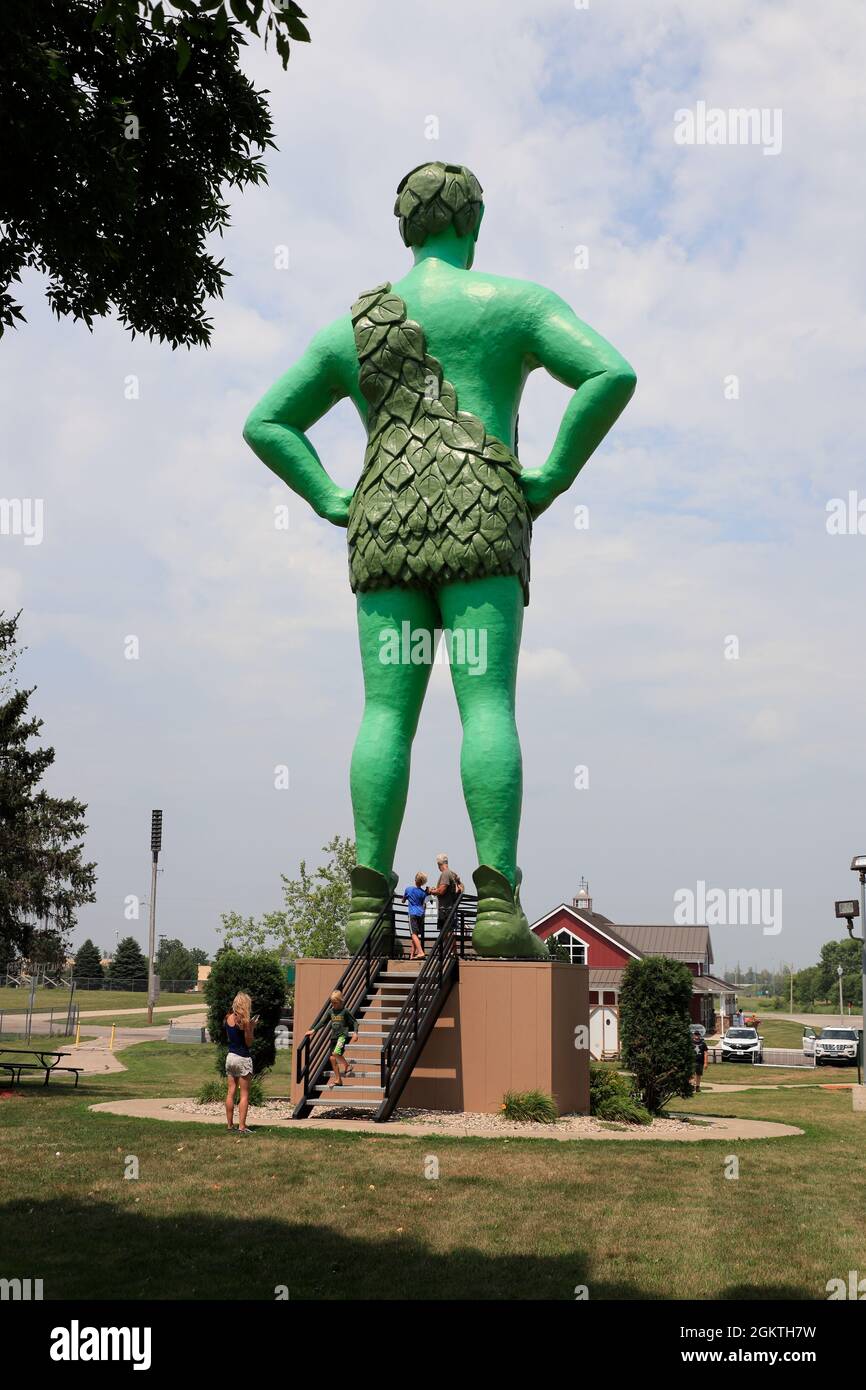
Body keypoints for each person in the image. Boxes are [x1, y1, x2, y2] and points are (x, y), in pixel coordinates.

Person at [243, 161, 635, 959]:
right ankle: (496, 908)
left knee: (386, 714)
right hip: (485, 517)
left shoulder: (352, 328)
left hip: (384, 526)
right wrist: (553, 473)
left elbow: (267, 423)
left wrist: (331, 498)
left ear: (405, 228)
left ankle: (364, 909)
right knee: (486, 706)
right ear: (474, 225)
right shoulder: (515, 303)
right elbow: (610, 372)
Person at [306, 989, 358, 1088]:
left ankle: (347, 1065)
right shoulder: (331, 1012)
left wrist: (355, 1033)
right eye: (332, 1002)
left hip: (342, 1036)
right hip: (333, 1037)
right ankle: (338, 1079)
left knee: (335, 1053)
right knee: (332, 1058)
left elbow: (354, 1022)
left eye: (335, 1002)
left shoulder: (345, 1011)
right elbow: (322, 1022)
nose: (333, 1004)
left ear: (340, 1001)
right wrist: (314, 1030)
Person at [225, 992, 257, 1134]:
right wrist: (252, 1027)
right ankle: (242, 1126)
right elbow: (248, 1042)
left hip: (230, 1057)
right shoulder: (244, 1022)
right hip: (242, 1058)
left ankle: (230, 1125)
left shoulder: (229, 1018)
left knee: (231, 1092)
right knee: (244, 1093)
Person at [431, 853, 463, 932]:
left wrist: (431, 891)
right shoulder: (452, 874)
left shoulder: (445, 873)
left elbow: (442, 891)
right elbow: (461, 888)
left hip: (445, 910)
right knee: (450, 934)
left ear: (439, 864)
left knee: (446, 935)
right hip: (451, 909)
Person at [403, 871, 430, 959]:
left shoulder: (409, 889)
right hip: (421, 914)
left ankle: (421, 952)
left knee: (413, 934)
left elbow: (403, 900)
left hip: (413, 913)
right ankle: (411, 955)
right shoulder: (423, 893)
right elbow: (425, 902)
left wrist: (404, 899)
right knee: (416, 935)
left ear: (415, 879)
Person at [691, 1029, 708, 1093]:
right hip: (692, 1061)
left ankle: (697, 1086)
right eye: (695, 1034)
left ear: (700, 1036)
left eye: (698, 1035)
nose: (697, 1036)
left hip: (700, 1062)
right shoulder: (690, 1043)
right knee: (691, 1074)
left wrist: (706, 1063)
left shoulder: (703, 1044)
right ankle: (692, 1086)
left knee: (698, 1074)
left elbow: (706, 1053)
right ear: (693, 1035)